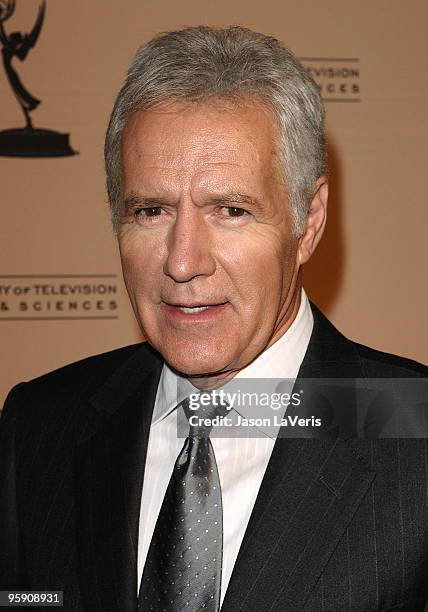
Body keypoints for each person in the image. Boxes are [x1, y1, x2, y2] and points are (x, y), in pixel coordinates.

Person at [0, 26, 427, 612]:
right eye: (150, 210)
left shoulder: (417, 436)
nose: (181, 262)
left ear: (310, 220)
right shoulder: (40, 425)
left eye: (230, 210)